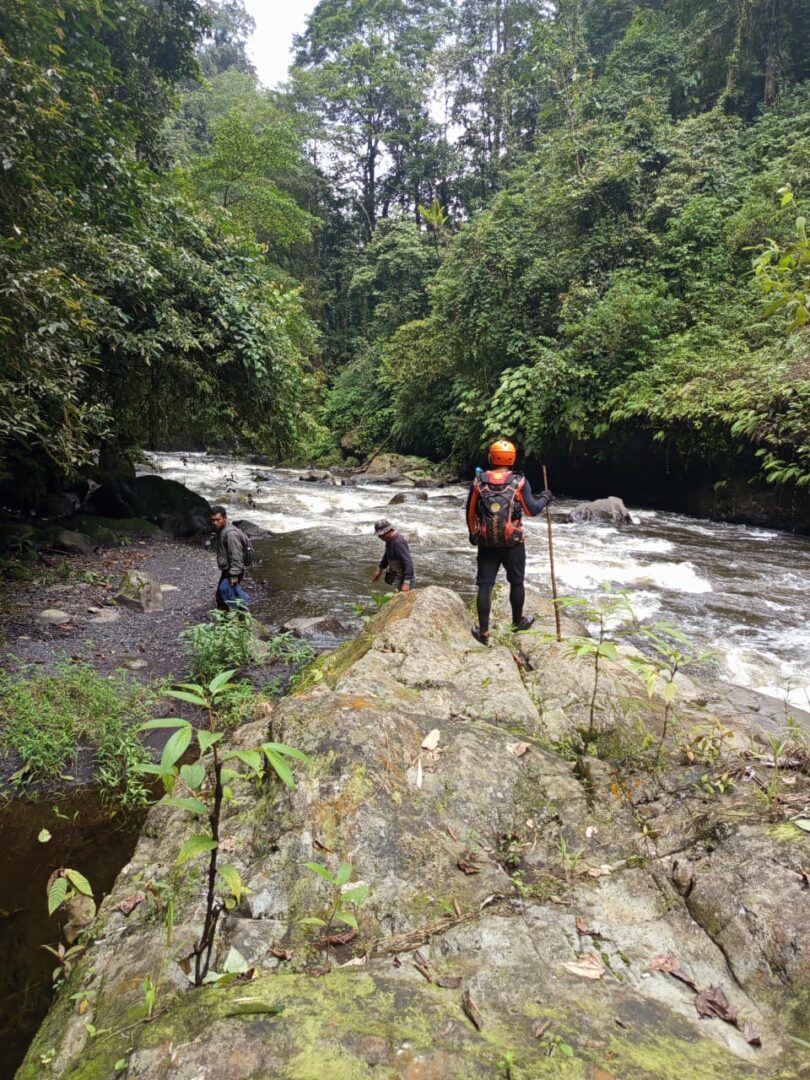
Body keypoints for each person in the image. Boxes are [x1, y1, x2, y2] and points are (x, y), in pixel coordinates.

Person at [465, 440, 553, 645]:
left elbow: (470, 511)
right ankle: (516, 622)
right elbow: (531, 510)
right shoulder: (519, 481)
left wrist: (473, 533)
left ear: (491, 457)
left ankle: (483, 632)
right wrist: (545, 498)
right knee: (516, 582)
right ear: (512, 458)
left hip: (487, 542)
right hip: (513, 541)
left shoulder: (479, 481)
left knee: (485, 584)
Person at [210, 505, 250, 612]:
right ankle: (230, 617)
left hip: (233, 570)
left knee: (225, 595)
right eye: (213, 520)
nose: (215, 523)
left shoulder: (231, 534)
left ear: (225, 518)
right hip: (228, 569)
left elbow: (236, 556)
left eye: (218, 520)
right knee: (223, 595)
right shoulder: (222, 531)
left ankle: (242, 613)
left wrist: (234, 575)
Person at [371, 518, 414, 592]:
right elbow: (386, 555)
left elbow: (408, 562)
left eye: (380, 534)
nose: (379, 537)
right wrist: (380, 570)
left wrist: (406, 583)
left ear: (387, 532)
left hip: (403, 578)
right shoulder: (389, 540)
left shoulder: (398, 542)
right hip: (396, 576)